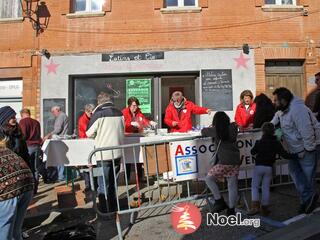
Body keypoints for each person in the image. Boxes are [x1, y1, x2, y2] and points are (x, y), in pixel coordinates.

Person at [271, 87, 320, 214]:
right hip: (294, 150)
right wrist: (269, 129)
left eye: (276, 100)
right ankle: (306, 199)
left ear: (283, 100)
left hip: (306, 148)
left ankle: (309, 201)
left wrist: (308, 149)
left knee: (308, 176)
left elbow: (307, 131)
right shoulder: (281, 111)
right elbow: (274, 124)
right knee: (295, 175)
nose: (274, 103)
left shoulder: (298, 110)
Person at [86, 92, 124, 213]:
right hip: (117, 153)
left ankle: (105, 210)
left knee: (102, 184)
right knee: (113, 184)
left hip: (102, 155)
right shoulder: (120, 112)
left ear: (99, 102)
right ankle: (114, 208)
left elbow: (89, 133)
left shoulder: (98, 114)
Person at [248, 122, 296, 216]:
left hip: (259, 166)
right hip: (269, 167)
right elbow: (285, 155)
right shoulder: (276, 143)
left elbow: (252, 152)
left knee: (254, 186)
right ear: (273, 132)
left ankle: (255, 207)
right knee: (266, 187)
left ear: (263, 131)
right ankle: (264, 209)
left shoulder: (259, 142)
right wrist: (297, 155)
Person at [201, 112, 241, 216]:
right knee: (232, 185)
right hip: (235, 161)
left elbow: (203, 131)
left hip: (224, 162)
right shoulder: (233, 128)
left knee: (209, 178)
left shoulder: (217, 130)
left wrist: (212, 127)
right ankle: (231, 210)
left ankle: (219, 200)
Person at [0, 134, 34, 240]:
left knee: (4, 235)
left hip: (9, 188)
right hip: (27, 183)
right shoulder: (3, 149)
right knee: (15, 232)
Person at [122, 97, 157, 182]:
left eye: (136, 105)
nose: (135, 107)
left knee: (138, 157)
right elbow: (122, 124)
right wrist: (131, 124)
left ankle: (140, 177)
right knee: (128, 158)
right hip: (127, 136)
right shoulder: (124, 112)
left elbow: (143, 120)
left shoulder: (138, 111)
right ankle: (127, 178)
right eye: (133, 106)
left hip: (136, 135)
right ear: (129, 105)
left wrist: (149, 122)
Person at [19, 108, 43, 193]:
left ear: (22, 115)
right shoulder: (36, 122)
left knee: (27, 168)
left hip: (27, 147)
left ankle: (29, 190)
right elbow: (39, 135)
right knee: (36, 169)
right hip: (37, 146)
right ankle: (35, 189)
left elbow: (23, 136)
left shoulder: (22, 122)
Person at [43, 106, 69, 182]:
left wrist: (49, 135)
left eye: (53, 112)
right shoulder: (63, 115)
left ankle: (61, 176)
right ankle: (61, 175)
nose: (53, 114)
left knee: (59, 158)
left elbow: (58, 129)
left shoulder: (61, 116)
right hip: (61, 140)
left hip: (60, 139)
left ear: (57, 110)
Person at [77, 104, 96, 191]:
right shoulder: (83, 119)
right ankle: (88, 185)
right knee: (86, 165)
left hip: (91, 143)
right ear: (86, 112)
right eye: (90, 113)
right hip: (85, 143)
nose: (92, 115)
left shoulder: (91, 118)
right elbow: (88, 132)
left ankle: (94, 184)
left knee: (94, 165)